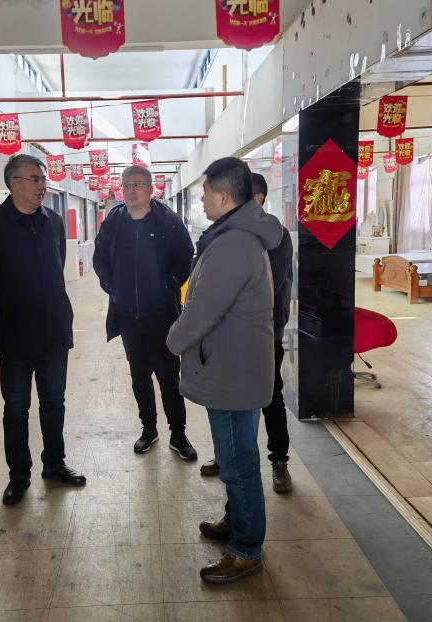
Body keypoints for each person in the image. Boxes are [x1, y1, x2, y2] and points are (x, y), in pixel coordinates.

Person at [167, 157, 283, 585]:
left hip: (234, 372)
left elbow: (204, 309)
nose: (201, 199)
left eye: (205, 193)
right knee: (237, 455)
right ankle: (237, 521)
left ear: (222, 196)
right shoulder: (236, 235)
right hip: (235, 365)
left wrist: (173, 341)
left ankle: (246, 550)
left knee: (237, 464)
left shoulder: (234, 243)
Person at [0, 154, 85, 506]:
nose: (42, 185)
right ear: (14, 183)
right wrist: (9, 309)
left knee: (54, 402)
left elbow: (56, 264)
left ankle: (55, 464)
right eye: (35, 179)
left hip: (53, 332)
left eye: (43, 179)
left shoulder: (53, 221)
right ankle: (19, 475)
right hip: (15, 337)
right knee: (16, 408)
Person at [93, 166, 196, 459]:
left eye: (137, 184)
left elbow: (184, 255)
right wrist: (112, 286)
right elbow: (100, 257)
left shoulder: (168, 221)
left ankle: (178, 434)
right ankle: (148, 430)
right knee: (139, 376)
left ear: (151, 189)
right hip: (128, 315)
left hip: (162, 314)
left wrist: (169, 284)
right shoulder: (114, 222)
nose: (131, 190)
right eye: (126, 185)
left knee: (169, 377)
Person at [200, 172, 294, 493]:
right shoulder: (225, 234)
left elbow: (266, 286)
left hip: (265, 333)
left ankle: (279, 460)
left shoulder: (276, 236)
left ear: (258, 200)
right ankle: (227, 457)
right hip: (228, 335)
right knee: (230, 401)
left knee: (269, 397)